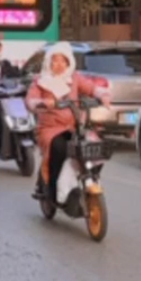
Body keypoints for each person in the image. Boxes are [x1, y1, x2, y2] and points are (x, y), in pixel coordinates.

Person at [26, 41, 110, 200]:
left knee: (95, 147)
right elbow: (30, 100)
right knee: (60, 147)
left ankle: (88, 179)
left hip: (74, 126)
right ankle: (52, 189)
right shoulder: (40, 81)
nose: (59, 65)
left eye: (63, 61)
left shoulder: (75, 78)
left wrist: (102, 95)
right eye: (55, 60)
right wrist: (42, 102)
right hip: (50, 129)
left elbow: (91, 88)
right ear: (49, 62)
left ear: (69, 62)